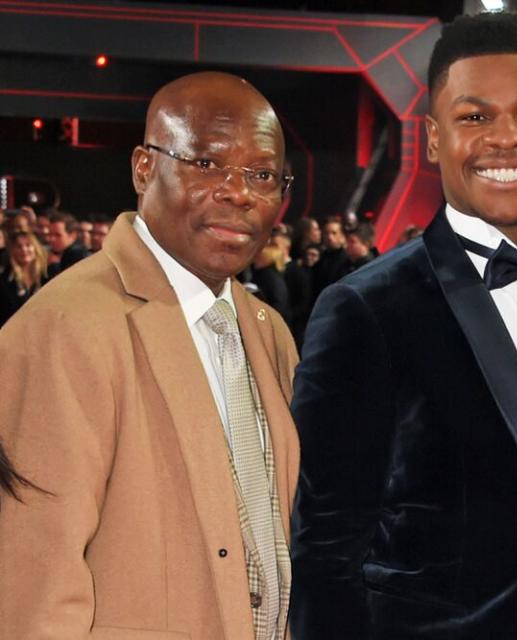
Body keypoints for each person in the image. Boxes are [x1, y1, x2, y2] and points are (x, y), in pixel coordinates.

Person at [291, 12, 517, 640]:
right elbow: (325, 551)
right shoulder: (366, 308)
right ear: (433, 139)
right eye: (474, 116)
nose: (506, 139)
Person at [0, 71, 300, 639]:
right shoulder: (62, 329)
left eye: (261, 174)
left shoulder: (268, 331)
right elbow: (32, 587)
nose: (238, 192)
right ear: (144, 168)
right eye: (207, 164)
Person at [0, 230, 49, 326]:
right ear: (13, 251)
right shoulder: (4, 280)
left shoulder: (49, 274)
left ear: (35, 248)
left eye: (28, 245)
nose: (24, 250)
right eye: (19, 247)